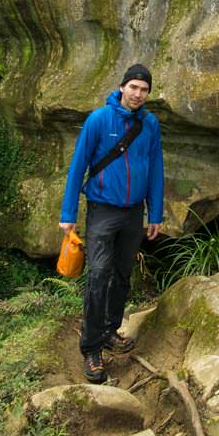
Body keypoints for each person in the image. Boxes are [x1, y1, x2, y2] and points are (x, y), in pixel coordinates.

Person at [60, 63, 164, 383]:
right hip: (103, 211)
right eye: (133, 87)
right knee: (99, 274)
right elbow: (78, 166)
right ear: (122, 87)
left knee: (121, 274)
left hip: (133, 213)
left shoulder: (150, 124)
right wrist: (68, 214)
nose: (138, 94)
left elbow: (156, 166)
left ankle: (109, 330)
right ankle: (91, 347)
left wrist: (155, 213)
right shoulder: (99, 120)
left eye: (144, 89)